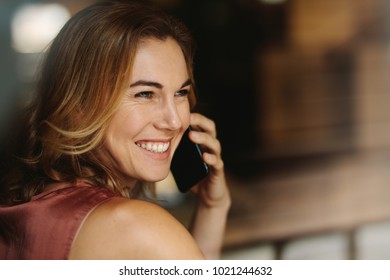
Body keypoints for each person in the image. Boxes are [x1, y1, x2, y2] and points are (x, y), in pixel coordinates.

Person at [0, 0, 230, 260]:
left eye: (181, 93)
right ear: (79, 105)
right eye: (145, 93)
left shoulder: (31, 210)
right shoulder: (137, 227)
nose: (175, 121)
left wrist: (213, 206)